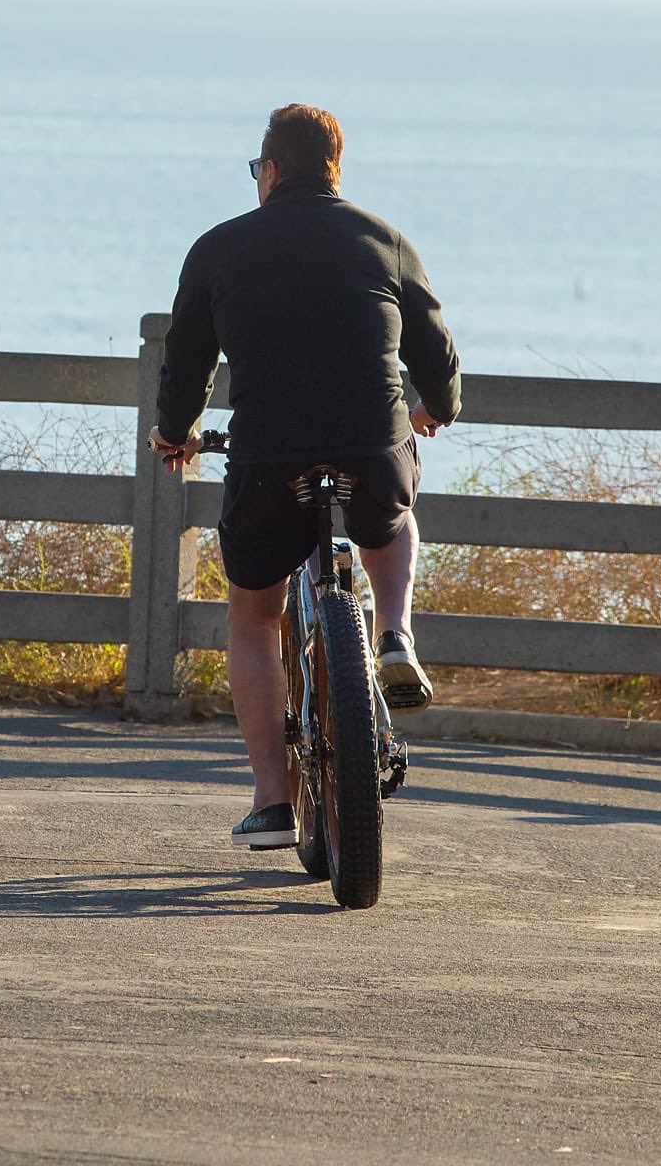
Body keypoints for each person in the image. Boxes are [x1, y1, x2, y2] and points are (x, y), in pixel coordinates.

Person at [148, 104, 461, 850]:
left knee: (254, 617)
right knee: (393, 514)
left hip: (269, 460)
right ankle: (394, 633)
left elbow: (187, 361)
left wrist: (172, 434)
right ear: (335, 171)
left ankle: (272, 802)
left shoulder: (219, 248)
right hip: (373, 451)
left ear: (273, 170)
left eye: (257, 169)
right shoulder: (384, 240)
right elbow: (436, 350)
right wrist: (435, 409)